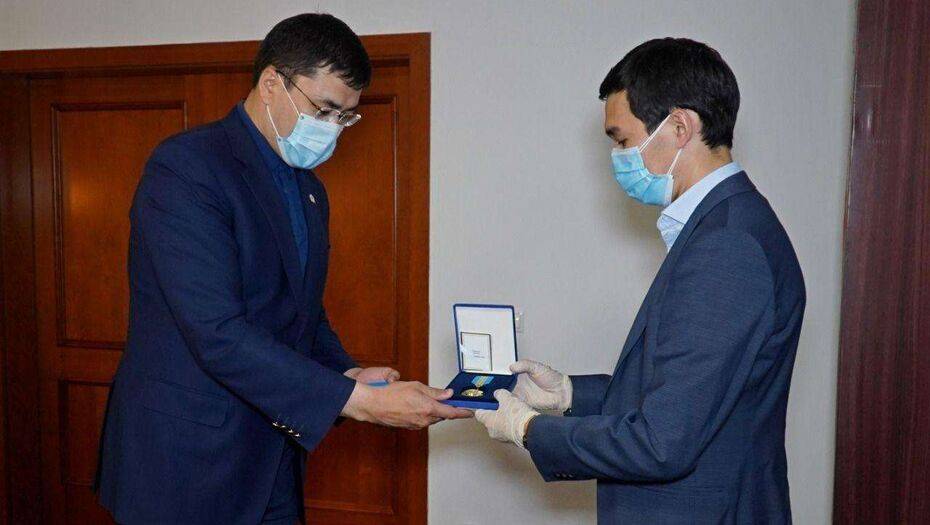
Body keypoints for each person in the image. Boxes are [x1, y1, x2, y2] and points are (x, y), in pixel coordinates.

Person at [94, 13, 471, 525]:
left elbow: (301, 311)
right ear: (272, 82)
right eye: (325, 110)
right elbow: (217, 332)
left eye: (346, 117)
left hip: (272, 455)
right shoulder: (186, 168)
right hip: (186, 461)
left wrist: (345, 371)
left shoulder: (308, 188)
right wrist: (356, 400)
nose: (332, 129)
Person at [476, 38, 805, 524]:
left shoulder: (726, 245)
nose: (618, 157)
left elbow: (661, 442)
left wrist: (529, 430)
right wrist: (570, 394)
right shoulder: (726, 224)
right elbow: (688, 394)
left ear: (679, 127)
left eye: (622, 140)